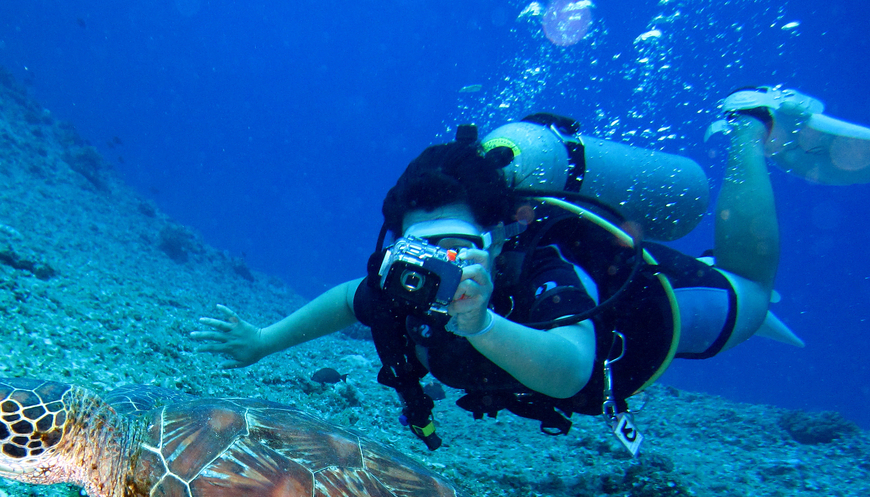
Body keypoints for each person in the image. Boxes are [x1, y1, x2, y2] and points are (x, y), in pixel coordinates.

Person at [191, 87, 870, 451]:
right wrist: (261, 342)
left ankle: (751, 126)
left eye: (458, 246)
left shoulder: (541, 263)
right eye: (418, 248)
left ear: (503, 232)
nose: (437, 266)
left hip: (649, 311)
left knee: (752, 296)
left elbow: (573, 367)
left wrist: (482, 324)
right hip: (567, 316)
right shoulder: (408, 284)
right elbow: (349, 299)